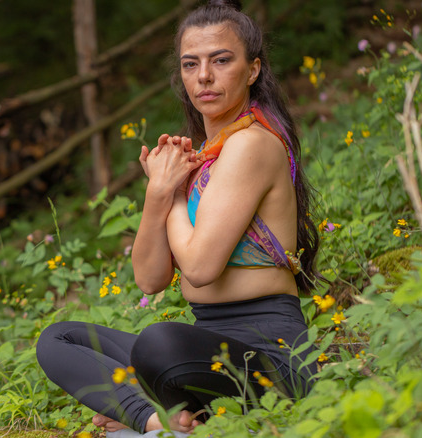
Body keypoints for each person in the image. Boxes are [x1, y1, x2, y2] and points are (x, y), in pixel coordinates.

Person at [36, 0, 320, 435]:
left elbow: (201, 268)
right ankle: (155, 419)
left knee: (159, 343)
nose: (203, 76)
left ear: (253, 70)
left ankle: (143, 414)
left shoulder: (253, 144)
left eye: (221, 60)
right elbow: (150, 280)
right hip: (203, 349)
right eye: (191, 64)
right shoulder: (206, 158)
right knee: (60, 339)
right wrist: (160, 193)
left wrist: (171, 194)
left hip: (270, 358)